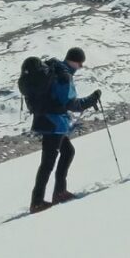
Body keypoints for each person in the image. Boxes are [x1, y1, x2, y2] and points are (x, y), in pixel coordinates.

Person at [30, 47, 101, 213]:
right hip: (54, 123)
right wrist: (91, 100)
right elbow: (71, 103)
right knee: (48, 163)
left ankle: (58, 192)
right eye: (80, 64)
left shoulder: (54, 69)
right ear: (75, 61)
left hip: (47, 121)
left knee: (67, 152)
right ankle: (38, 201)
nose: (80, 67)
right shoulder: (64, 75)